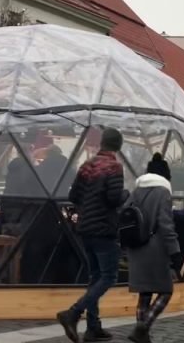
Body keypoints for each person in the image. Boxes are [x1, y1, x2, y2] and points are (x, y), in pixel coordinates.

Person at [58, 128, 129, 343]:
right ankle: (73, 313)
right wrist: (126, 194)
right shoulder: (114, 167)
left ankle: (93, 327)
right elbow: (114, 198)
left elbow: (73, 195)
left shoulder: (86, 165)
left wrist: (87, 210)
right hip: (104, 229)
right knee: (108, 277)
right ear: (118, 146)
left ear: (102, 144)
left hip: (85, 229)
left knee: (95, 277)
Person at [124, 153, 182, 343]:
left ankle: (143, 335)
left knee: (145, 292)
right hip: (155, 249)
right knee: (166, 291)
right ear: (165, 176)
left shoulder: (137, 190)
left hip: (136, 247)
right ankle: (143, 327)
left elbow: (125, 214)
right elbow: (166, 225)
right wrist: (175, 252)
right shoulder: (163, 192)